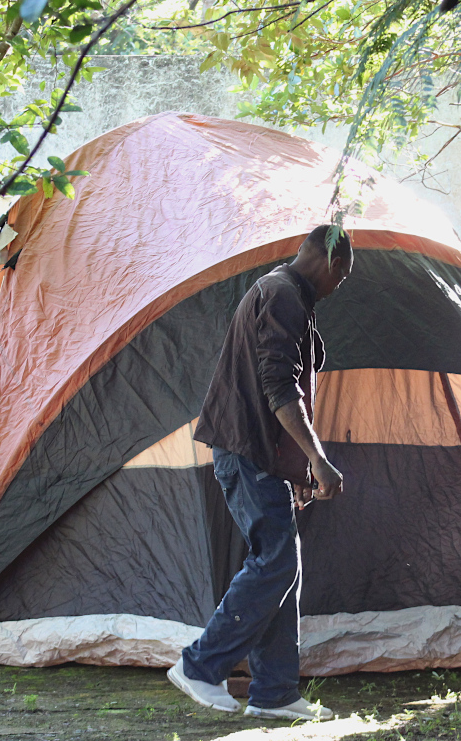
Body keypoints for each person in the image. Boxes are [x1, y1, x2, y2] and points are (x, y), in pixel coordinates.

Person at [167, 225, 351, 721]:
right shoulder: (283, 294)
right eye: (345, 273)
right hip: (244, 452)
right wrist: (317, 460)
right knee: (276, 562)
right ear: (330, 262)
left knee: (281, 565)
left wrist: (293, 470)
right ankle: (201, 666)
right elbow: (279, 389)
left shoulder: (285, 293)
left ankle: (275, 692)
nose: (342, 284)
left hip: (258, 456)